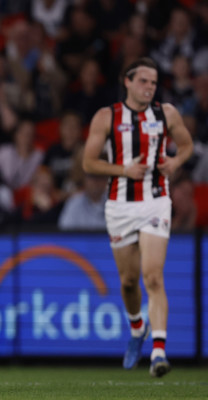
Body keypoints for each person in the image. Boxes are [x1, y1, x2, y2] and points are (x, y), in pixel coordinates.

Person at [82, 57, 193, 378]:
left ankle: (159, 351)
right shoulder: (107, 117)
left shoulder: (166, 113)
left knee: (153, 276)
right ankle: (137, 328)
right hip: (120, 206)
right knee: (129, 282)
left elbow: (185, 146)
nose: (149, 88)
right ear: (127, 81)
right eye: (143, 81)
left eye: (154, 82)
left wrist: (175, 162)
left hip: (156, 201)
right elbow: (89, 163)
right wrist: (123, 170)